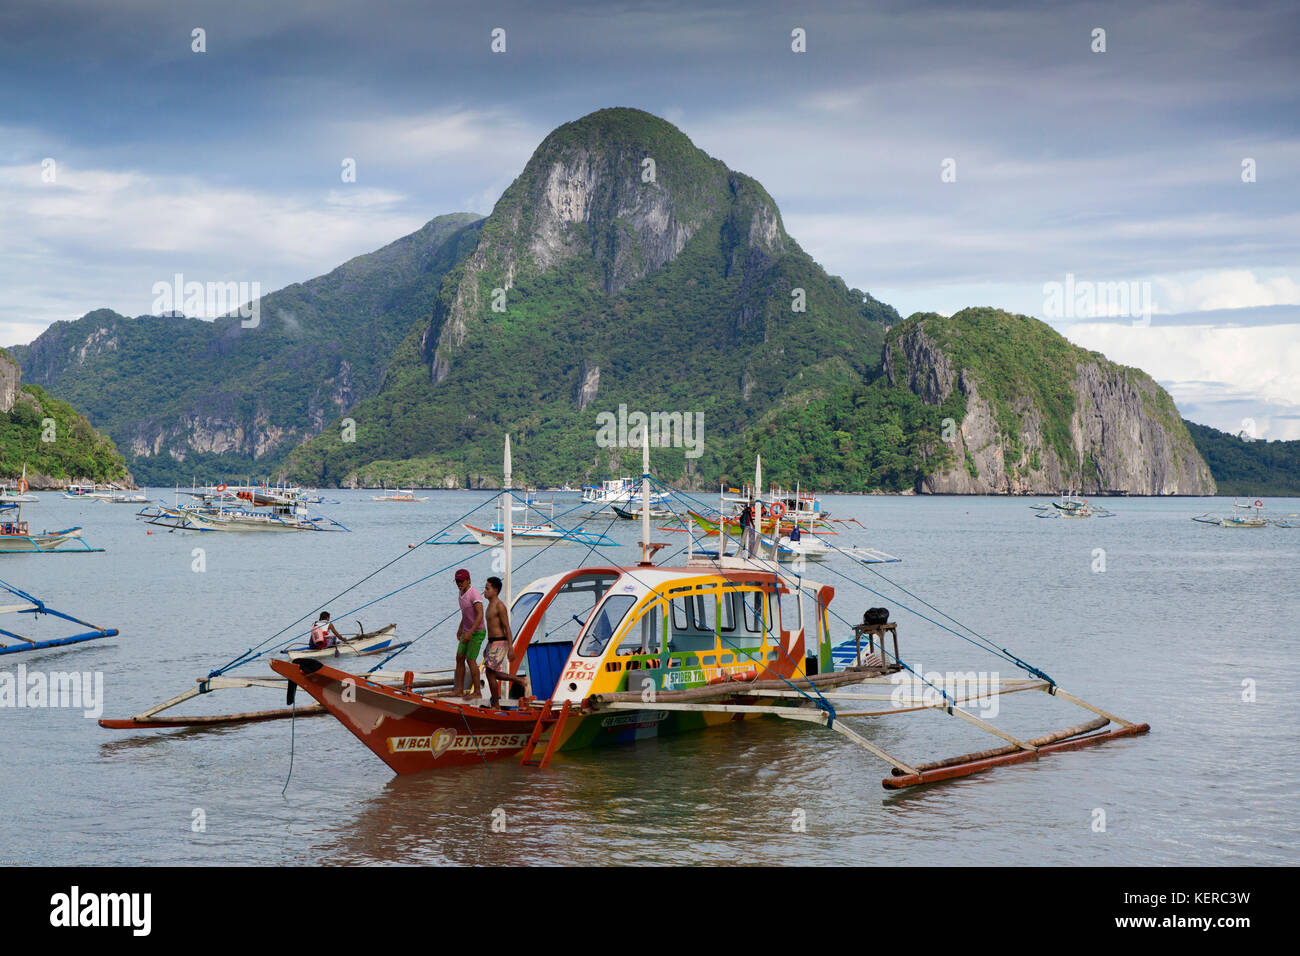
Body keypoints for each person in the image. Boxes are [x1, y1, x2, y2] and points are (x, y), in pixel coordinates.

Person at [481, 576, 528, 708]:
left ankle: (496, 704)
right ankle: (519, 680)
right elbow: (492, 628)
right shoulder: (489, 606)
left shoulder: (499, 606)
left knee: (490, 672)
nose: (484, 591)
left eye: (487, 588)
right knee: (490, 672)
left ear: (495, 590)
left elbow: (507, 627)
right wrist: (486, 646)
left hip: (500, 642)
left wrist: (511, 648)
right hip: (492, 642)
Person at [453, 569, 485, 699]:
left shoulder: (474, 594)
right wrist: (460, 629)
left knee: (470, 660)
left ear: (468, 580)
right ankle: (459, 690)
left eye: (461, 581)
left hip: (476, 632)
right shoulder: (460, 594)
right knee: (459, 657)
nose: (459, 584)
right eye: (457, 581)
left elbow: (479, 615)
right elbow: (465, 614)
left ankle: (477, 692)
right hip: (466, 631)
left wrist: (470, 632)